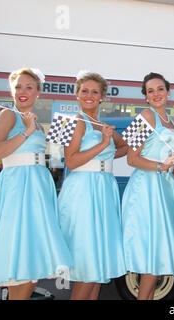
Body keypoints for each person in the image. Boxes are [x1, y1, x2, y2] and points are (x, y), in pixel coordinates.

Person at [0, 68, 73, 299]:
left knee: (32, 264)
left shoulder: (38, 124)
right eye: (18, 87)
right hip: (18, 190)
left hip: (37, 190)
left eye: (29, 87)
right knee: (20, 261)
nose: (22, 92)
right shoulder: (9, 115)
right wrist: (25, 132)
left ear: (38, 92)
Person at [121, 72, 174, 300]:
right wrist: (160, 166)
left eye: (159, 89)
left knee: (156, 255)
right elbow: (131, 158)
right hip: (145, 189)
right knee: (148, 252)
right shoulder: (144, 116)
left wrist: (170, 171)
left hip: (165, 190)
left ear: (168, 92)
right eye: (150, 91)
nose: (156, 94)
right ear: (146, 97)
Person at [58, 71, 128, 300]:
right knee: (87, 262)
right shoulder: (73, 121)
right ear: (77, 94)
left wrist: (112, 143)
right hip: (84, 192)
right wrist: (104, 143)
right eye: (84, 91)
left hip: (104, 190)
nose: (89, 95)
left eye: (94, 92)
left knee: (98, 262)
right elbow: (71, 160)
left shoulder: (102, 124)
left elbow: (124, 148)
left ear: (102, 97)